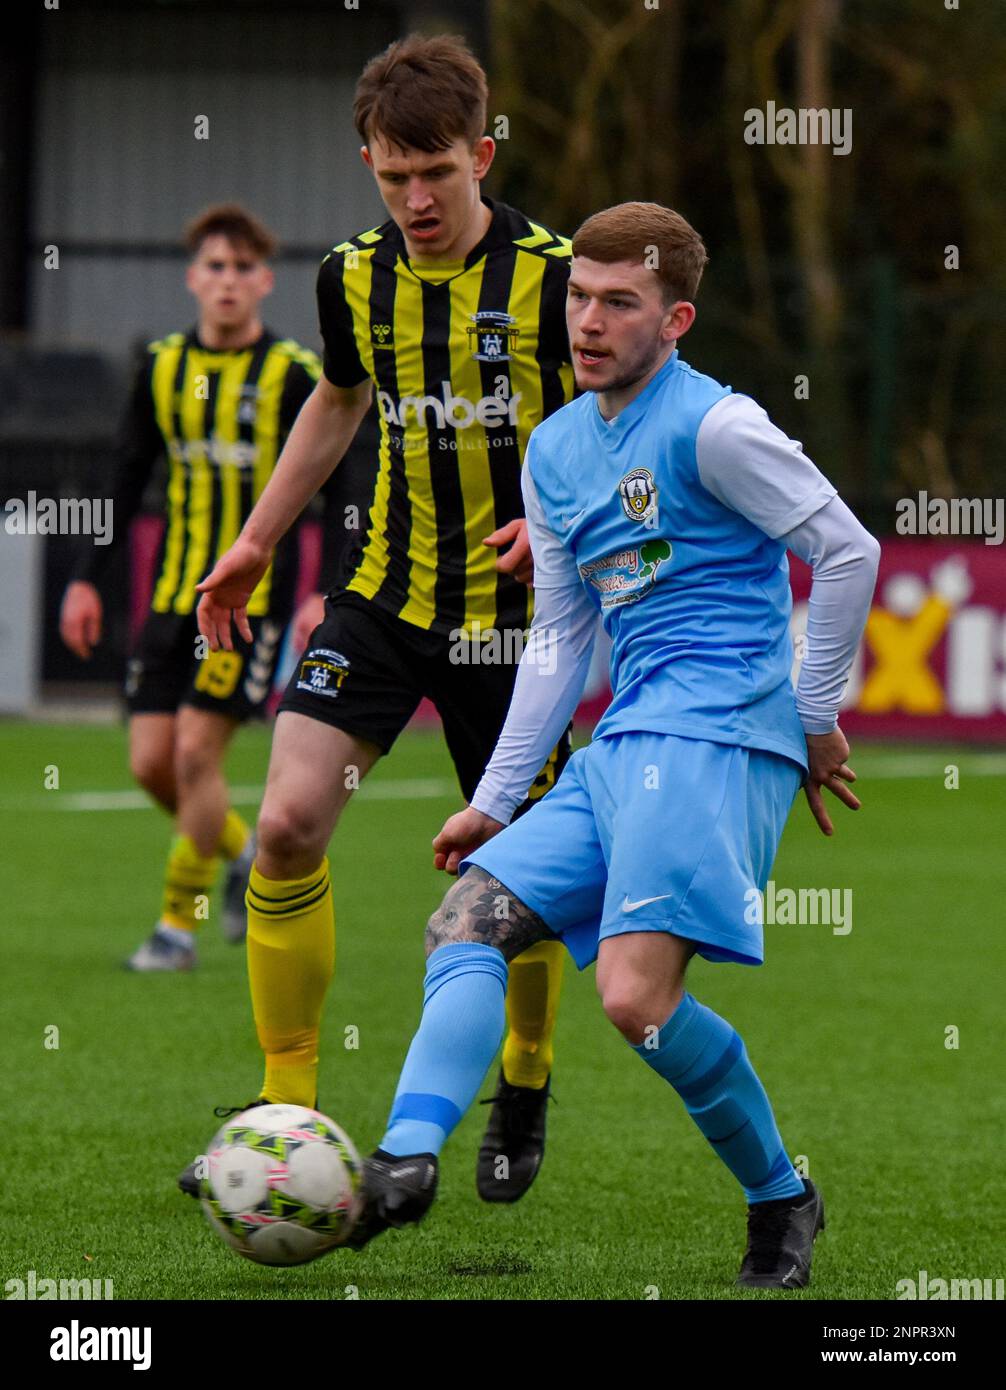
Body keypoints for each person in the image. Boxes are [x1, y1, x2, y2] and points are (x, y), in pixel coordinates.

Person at [344, 201, 881, 1290]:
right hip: (623, 736)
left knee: (633, 999)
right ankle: (403, 1159)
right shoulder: (552, 451)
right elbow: (560, 635)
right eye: (576, 298)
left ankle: (782, 1199)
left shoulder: (715, 428)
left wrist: (815, 712)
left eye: (617, 303)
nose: (587, 321)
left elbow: (847, 550)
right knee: (467, 917)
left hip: (722, 736)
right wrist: (495, 799)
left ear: (673, 318)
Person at [187, 34, 581, 1201]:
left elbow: (624, 421)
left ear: (484, 155)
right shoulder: (348, 275)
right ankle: (285, 1111)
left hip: (518, 624)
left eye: (437, 175)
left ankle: (524, 1074)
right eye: (392, 175)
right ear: (368, 161)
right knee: (288, 824)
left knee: (518, 878)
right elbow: (339, 398)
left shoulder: (560, 279)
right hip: (382, 597)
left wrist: (561, 531)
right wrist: (257, 540)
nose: (414, 199)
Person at [60, 204, 328, 971]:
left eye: (244, 268)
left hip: (246, 606)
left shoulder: (295, 375)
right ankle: (240, 854)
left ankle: (177, 929)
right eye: (215, 266)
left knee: (193, 756)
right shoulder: (163, 366)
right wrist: (85, 582)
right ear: (192, 279)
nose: (228, 281)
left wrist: (324, 592)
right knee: (149, 763)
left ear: (265, 282)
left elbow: (345, 484)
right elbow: (123, 479)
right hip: (171, 596)